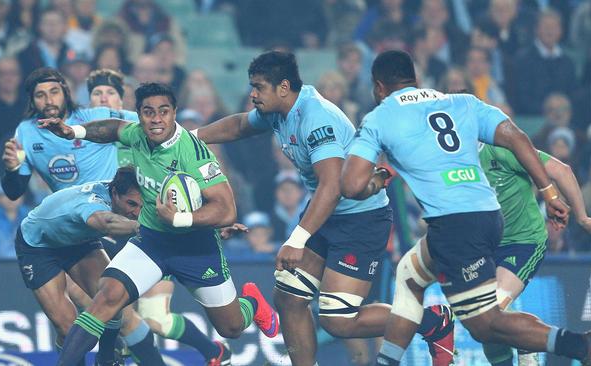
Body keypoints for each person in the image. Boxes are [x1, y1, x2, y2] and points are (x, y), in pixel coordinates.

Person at [340, 49, 591, 366]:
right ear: (415, 79)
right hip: (486, 217)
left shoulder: (380, 116)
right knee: (410, 274)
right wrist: (549, 192)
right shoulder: (462, 102)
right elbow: (516, 136)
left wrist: (377, 178)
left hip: (456, 225)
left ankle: (580, 345)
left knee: (487, 325)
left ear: (378, 87)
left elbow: (351, 186)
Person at [190, 51, 456, 366]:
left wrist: (297, 239)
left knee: (338, 320)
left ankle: (431, 322)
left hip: (360, 219)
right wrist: (188, 139)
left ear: (284, 87)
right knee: (288, 296)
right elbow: (237, 126)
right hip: (326, 214)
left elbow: (331, 187)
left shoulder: (316, 118)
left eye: (259, 87)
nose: (253, 94)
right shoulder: (277, 110)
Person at [38, 82, 279, 366]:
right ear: (139, 115)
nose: (156, 119)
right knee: (107, 297)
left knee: (231, 328)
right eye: (148, 112)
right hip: (152, 242)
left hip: (196, 248)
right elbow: (112, 128)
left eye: (164, 112)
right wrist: (74, 131)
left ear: (174, 112)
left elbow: (226, 210)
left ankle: (252, 303)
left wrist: (179, 218)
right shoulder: (137, 133)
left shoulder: (194, 152)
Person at [0, 67, 166, 365]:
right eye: (40, 95)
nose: (48, 100)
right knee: (68, 325)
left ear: (65, 91)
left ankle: (114, 359)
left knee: (116, 304)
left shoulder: (95, 117)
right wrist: (12, 170)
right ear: (32, 101)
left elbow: (154, 129)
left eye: (53, 91)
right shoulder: (25, 132)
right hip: (49, 235)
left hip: (99, 226)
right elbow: (14, 192)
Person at [87, 69, 234, 365]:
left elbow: (222, 205)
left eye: (110, 94)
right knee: (110, 302)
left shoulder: (180, 145)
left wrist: (196, 217)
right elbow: (110, 129)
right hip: (132, 235)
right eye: (97, 95)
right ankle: (110, 358)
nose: (104, 99)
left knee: (158, 318)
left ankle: (216, 346)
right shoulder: (110, 140)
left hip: (181, 238)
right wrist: (73, 132)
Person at [478, 143, 591, 366]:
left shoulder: (502, 148)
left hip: (523, 242)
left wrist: (582, 217)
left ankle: (536, 341)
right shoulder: (451, 160)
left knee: (490, 310)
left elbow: (561, 170)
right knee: (483, 324)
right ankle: (524, 341)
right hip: (483, 247)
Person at [14, 168, 143, 365]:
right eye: (131, 204)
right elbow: (106, 223)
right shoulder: (91, 204)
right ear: (114, 193)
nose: (136, 212)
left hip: (77, 240)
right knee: (67, 328)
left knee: (115, 297)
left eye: (141, 206)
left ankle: (106, 359)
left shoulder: (120, 188)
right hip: (38, 246)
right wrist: (142, 226)